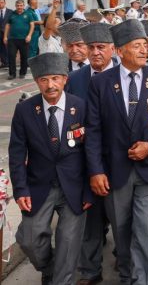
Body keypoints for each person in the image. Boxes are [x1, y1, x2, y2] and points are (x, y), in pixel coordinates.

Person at [85, 19, 148, 284]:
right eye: (136, 46)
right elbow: (93, 131)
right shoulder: (101, 83)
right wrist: (96, 171)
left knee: (145, 229)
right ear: (119, 50)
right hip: (116, 170)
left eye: (145, 45)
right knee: (122, 230)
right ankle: (128, 274)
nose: (143, 50)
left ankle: (139, 281)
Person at [9, 52, 92, 285]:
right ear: (36, 82)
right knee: (29, 239)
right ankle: (50, 268)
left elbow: (92, 151)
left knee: (68, 244)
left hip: (74, 189)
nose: (50, 84)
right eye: (44, 79)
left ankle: (60, 278)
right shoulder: (25, 110)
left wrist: (88, 189)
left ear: (65, 79)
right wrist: (21, 190)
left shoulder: (81, 107)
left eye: (55, 78)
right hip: (39, 186)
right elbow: (17, 154)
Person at [66, 23, 116, 284]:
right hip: (86, 159)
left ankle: (126, 260)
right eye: (91, 48)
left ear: (112, 50)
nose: (95, 53)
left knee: (123, 218)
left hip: (120, 159)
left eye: (101, 48)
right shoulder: (75, 80)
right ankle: (90, 270)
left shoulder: (125, 75)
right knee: (91, 219)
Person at [4, 0, 35, 79]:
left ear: (23, 6)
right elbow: (7, 26)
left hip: (24, 39)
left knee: (24, 57)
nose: (19, 7)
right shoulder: (11, 14)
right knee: (11, 56)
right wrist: (5, 36)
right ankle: (12, 74)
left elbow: (32, 25)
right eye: (18, 6)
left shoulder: (28, 14)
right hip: (12, 39)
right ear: (15, 6)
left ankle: (22, 73)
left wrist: (29, 35)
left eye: (21, 5)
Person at [0, 0, 8, 67]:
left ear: (5, 3)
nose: (0, 4)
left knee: (8, 48)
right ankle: (4, 62)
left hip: (7, 33)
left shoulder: (10, 12)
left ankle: (8, 62)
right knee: (1, 48)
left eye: (2, 2)